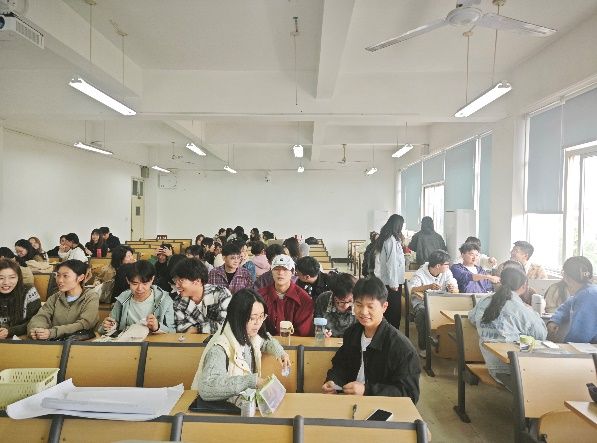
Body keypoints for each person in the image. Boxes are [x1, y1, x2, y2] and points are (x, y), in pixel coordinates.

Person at [322, 277, 420, 402]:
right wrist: (333, 381)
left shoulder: (401, 348)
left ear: (384, 307)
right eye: (358, 305)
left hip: (380, 407)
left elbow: (410, 394)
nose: (363, 312)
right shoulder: (352, 334)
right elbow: (341, 365)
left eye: (370, 306)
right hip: (349, 401)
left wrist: (366, 390)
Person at [192, 288, 291, 404]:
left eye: (261, 316)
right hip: (219, 410)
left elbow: (265, 340)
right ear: (238, 317)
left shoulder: (247, 332)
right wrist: (253, 381)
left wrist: (280, 353)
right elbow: (208, 388)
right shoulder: (219, 348)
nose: (258, 323)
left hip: (239, 405)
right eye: (252, 318)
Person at [468, 267, 547, 384]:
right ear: (524, 286)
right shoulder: (521, 309)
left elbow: (472, 318)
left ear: (500, 281)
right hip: (516, 371)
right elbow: (541, 335)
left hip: (493, 366)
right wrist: (534, 312)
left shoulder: (484, 300)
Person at [28, 260, 99, 340]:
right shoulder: (55, 297)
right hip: (55, 341)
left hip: (81, 343)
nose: (60, 280)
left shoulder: (91, 297)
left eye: (65, 276)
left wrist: (53, 332)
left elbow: (85, 324)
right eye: (58, 275)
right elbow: (41, 316)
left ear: (81, 278)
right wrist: (37, 330)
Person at [99, 260, 175, 334]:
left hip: (154, 342)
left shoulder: (164, 300)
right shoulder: (122, 299)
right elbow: (104, 328)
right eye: (135, 284)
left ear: (152, 279)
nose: (139, 288)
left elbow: (172, 332)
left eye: (145, 283)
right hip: (128, 341)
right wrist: (107, 326)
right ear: (128, 280)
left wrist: (157, 327)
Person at [408, 250, 459, 358]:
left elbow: (455, 287)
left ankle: (445, 342)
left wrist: (453, 288)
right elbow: (412, 289)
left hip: (441, 301)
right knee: (422, 314)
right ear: (438, 266)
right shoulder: (420, 273)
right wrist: (429, 286)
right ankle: (423, 347)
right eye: (446, 264)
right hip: (422, 302)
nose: (448, 266)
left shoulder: (447, 272)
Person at [171, 258, 231, 334]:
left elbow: (226, 325)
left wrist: (197, 329)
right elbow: (181, 328)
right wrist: (210, 327)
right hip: (192, 341)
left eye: (181, 280)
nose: (176, 285)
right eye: (176, 280)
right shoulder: (179, 301)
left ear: (197, 281)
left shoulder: (221, 294)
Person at [258, 254, 314, 336]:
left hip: (295, 342)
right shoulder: (260, 296)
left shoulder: (304, 299)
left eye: (285, 269)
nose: (280, 273)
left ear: (292, 272)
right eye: (276, 269)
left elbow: (303, 331)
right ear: (271, 272)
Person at [547, 256, 597, 343]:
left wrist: (563, 347)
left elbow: (579, 337)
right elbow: (567, 305)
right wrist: (555, 319)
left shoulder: (586, 296)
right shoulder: (588, 290)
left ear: (566, 277)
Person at [373, 214, 405, 330]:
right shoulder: (390, 239)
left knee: (391, 310)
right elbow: (391, 263)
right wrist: (394, 284)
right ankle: (390, 333)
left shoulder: (389, 238)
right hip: (391, 283)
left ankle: (388, 331)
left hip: (390, 281)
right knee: (393, 311)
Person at [0, 259, 42, 338]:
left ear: (18, 278)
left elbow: (36, 320)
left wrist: (10, 331)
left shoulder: (29, 292)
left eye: (12, 277)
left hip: (23, 338)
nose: (6, 282)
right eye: (1, 278)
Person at [314, 273, 357, 337]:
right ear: (334, 295)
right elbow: (318, 322)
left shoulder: (359, 301)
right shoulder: (323, 299)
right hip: (329, 340)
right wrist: (321, 332)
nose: (346, 306)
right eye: (341, 302)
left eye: (350, 301)